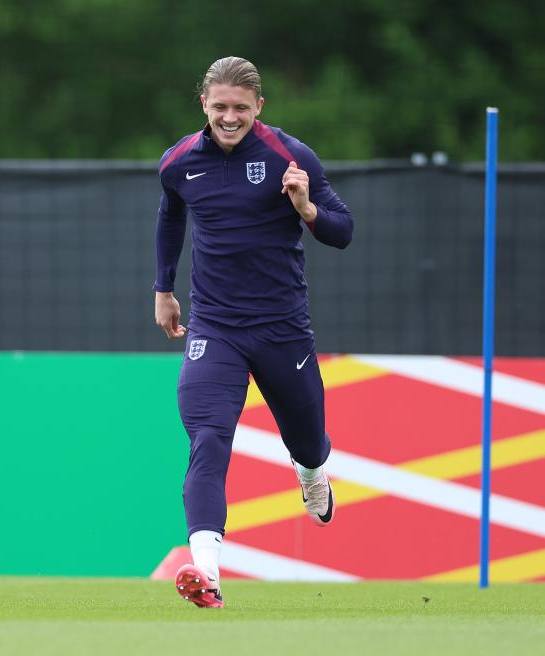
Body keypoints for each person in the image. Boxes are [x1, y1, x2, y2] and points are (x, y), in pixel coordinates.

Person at [153, 57, 353, 608]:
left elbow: (343, 230)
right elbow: (171, 216)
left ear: (258, 107)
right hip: (214, 327)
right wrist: (163, 289)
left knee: (308, 440)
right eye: (220, 107)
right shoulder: (179, 161)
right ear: (204, 105)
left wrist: (307, 207)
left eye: (240, 108)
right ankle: (207, 571)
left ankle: (312, 473)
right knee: (209, 440)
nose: (229, 117)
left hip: (282, 329)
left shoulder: (291, 156)